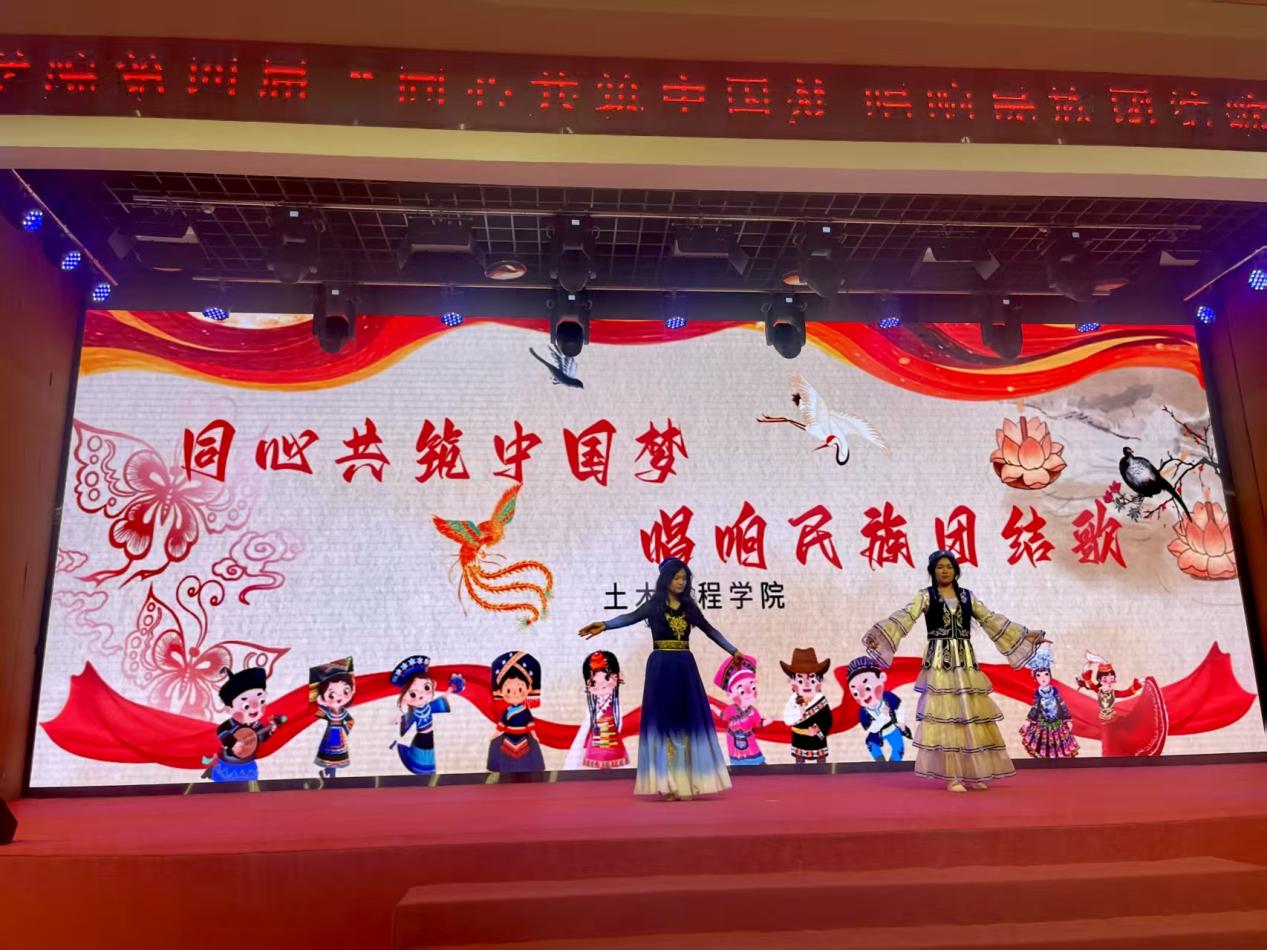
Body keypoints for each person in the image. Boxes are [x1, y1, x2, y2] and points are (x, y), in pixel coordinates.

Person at [862, 549, 1049, 792]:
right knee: (947, 718)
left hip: (965, 662)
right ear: (932, 571)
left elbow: (992, 620)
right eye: (939, 567)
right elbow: (904, 618)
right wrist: (879, 637)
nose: (945, 570)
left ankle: (974, 773)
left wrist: (1027, 635)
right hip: (940, 664)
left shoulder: (967, 597)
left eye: (949, 566)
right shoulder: (926, 596)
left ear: (956, 570)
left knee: (970, 716)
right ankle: (953, 776)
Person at [579, 557, 745, 800]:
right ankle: (667, 785)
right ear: (666, 580)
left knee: (686, 722)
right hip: (661, 666)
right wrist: (604, 625)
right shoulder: (654, 605)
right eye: (677, 578)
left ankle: (687, 783)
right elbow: (629, 617)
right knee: (664, 722)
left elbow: (710, 630)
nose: (681, 582)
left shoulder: (689, 607)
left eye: (684, 578)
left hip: (684, 667)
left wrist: (733, 650)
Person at [390, 655, 464, 775]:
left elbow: (443, 698)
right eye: (413, 694)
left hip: (432, 736)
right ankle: (397, 746)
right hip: (422, 738)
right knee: (423, 757)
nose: (421, 695)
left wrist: (452, 687)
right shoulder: (414, 713)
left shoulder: (430, 706)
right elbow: (405, 719)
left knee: (433, 754)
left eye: (426, 687)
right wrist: (399, 719)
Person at [487, 651, 546, 773]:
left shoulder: (525, 711)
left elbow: (530, 725)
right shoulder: (507, 711)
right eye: (508, 690)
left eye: (519, 689)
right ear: (500, 691)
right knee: (500, 752)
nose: (514, 693)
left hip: (524, 738)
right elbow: (502, 724)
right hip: (508, 738)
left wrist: (534, 735)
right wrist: (495, 734)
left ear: (529, 688)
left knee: (528, 759)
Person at [845, 655, 912, 763]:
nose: (863, 695)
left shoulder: (888, 697)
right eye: (856, 693)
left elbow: (900, 706)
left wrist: (901, 721)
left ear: (882, 677)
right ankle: (881, 765)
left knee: (899, 748)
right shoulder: (863, 712)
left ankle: (893, 766)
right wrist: (882, 716)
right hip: (877, 733)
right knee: (871, 744)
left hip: (892, 728)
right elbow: (872, 728)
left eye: (867, 688)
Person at [1019, 645, 1079, 759]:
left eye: (1046, 674)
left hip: (1057, 723)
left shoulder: (1054, 691)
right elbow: (1035, 708)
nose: (1043, 678)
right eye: (1039, 675)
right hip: (1043, 724)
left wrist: (1068, 719)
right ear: (1035, 678)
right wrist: (1028, 721)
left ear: (1050, 675)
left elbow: (1062, 705)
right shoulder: (1038, 693)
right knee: (1044, 745)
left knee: (1059, 745)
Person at [714, 653, 770, 767]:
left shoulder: (753, 711)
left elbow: (758, 723)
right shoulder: (730, 710)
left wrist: (768, 721)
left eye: (753, 688)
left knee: (759, 765)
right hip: (734, 745)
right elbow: (722, 716)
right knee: (739, 768)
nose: (749, 693)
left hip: (751, 744)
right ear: (729, 694)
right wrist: (712, 707)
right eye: (742, 691)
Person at [781, 648, 833, 764]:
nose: (806, 684)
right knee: (799, 764)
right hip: (799, 740)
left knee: (821, 764)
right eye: (800, 681)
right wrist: (799, 711)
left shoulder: (821, 700)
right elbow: (787, 719)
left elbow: (827, 720)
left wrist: (817, 730)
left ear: (819, 683)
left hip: (817, 741)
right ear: (793, 683)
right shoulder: (792, 701)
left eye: (812, 680)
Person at [310, 657, 356, 779]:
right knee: (327, 757)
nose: (339, 697)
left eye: (346, 691)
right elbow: (315, 715)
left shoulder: (344, 713)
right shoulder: (327, 712)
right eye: (332, 694)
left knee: (337, 758)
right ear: (322, 698)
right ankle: (328, 773)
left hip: (339, 737)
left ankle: (330, 774)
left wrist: (345, 729)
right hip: (329, 736)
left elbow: (351, 721)